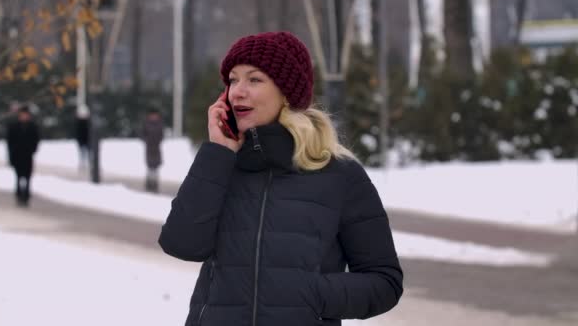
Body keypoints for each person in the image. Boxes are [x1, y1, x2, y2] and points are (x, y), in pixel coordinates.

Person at [158, 31, 403, 325]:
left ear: (287, 92)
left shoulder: (340, 175)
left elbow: (384, 281)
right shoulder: (222, 165)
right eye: (233, 80)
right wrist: (216, 153)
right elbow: (181, 244)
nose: (237, 91)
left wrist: (311, 295)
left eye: (254, 79)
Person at [6, 105, 40, 206]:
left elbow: (36, 140)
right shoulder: (14, 127)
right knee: (18, 176)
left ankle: (26, 195)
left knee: (28, 176)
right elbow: (9, 142)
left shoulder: (32, 126)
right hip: (17, 155)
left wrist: (33, 150)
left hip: (28, 155)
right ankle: (19, 194)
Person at [141, 107, 164, 192]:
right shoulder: (146, 124)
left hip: (157, 148)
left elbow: (161, 135)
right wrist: (147, 140)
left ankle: (155, 183)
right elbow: (142, 134)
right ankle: (149, 183)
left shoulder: (159, 124)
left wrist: (158, 140)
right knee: (150, 167)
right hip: (149, 148)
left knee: (156, 167)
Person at [75, 104, 91, 172]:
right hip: (83, 141)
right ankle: (84, 166)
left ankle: (87, 166)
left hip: (86, 141)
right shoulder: (82, 123)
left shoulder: (87, 123)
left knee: (86, 155)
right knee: (83, 155)